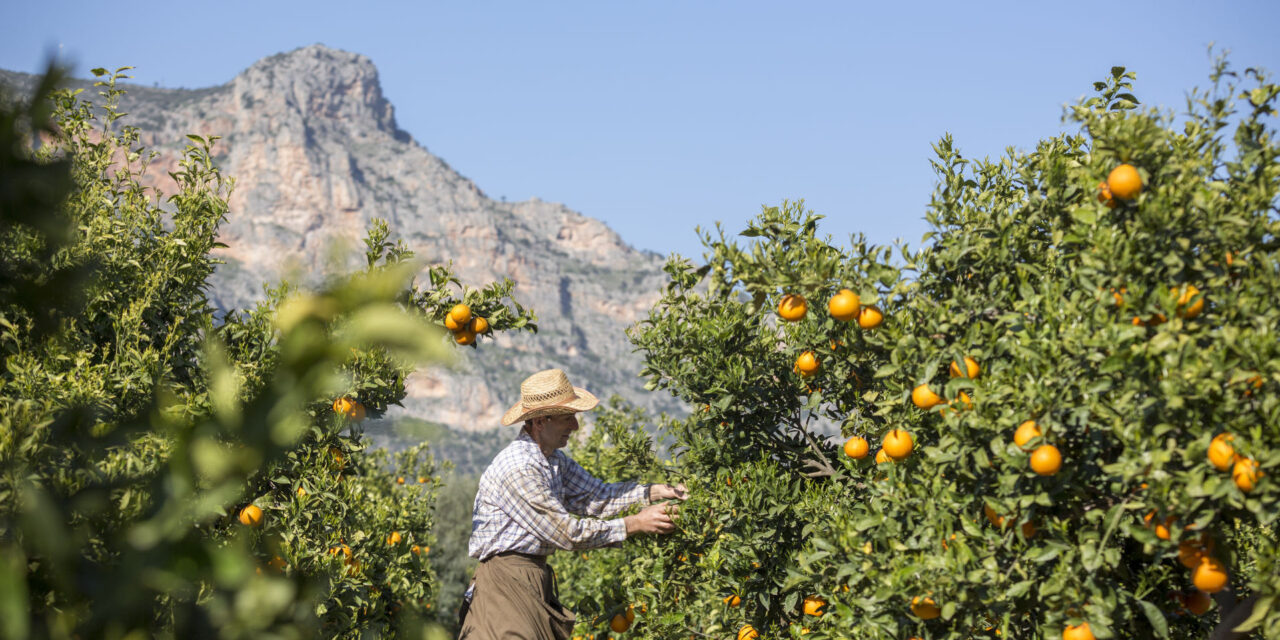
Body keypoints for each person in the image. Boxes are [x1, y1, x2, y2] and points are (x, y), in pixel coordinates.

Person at [459, 368, 687, 639]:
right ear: (541, 421)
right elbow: (566, 534)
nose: (576, 427)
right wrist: (636, 523)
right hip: (505, 582)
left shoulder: (553, 459)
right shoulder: (519, 468)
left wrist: (654, 492)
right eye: (568, 418)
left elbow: (596, 498)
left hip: (533, 577)